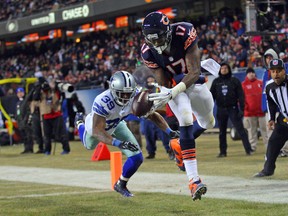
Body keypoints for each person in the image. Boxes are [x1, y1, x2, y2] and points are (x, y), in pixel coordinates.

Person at [141, 11, 219, 201]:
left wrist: (174, 89)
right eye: (152, 39)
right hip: (173, 87)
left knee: (209, 122)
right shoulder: (147, 51)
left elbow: (194, 72)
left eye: (158, 38)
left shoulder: (185, 32)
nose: (156, 43)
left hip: (193, 82)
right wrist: (165, 91)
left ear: (167, 31)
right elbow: (164, 83)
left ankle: (179, 144)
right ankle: (194, 180)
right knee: (184, 118)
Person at [74, 70, 179, 197]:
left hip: (117, 124)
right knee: (89, 145)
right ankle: (80, 123)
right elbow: (97, 131)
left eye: (128, 93)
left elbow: (152, 115)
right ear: (113, 90)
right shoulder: (102, 101)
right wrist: (118, 143)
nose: (125, 97)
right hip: (97, 126)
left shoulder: (136, 96)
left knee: (137, 157)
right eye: (122, 93)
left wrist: (169, 131)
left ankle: (121, 184)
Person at [210, 62, 253, 157]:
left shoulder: (234, 80)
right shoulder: (216, 82)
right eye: (222, 68)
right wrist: (209, 110)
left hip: (233, 108)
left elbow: (241, 96)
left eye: (226, 68)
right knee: (222, 132)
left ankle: (248, 149)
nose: (224, 69)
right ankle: (222, 152)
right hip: (221, 109)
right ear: (219, 70)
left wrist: (241, 109)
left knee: (240, 129)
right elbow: (211, 97)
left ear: (229, 69)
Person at [254, 59, 288, 177]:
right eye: (273, 71)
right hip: (284, 120)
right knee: (273, 143)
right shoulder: (269, 86)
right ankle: (268, 170)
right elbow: (271, 103)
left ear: (284, 71)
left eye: (279, 71)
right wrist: (271, 118)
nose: (276, 74)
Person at [31, 78, 70, 155]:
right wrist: (39, 87)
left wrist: (56, 86)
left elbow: (62, 96)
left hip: (56, 113)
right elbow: (35, 98)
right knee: (47, 135)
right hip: (46, 114)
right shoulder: (41, 92)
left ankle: (66, 149)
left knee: (61, 133)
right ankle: (47, 150)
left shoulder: (56, 91)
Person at [261, 48, 288, 157]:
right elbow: (266, 95)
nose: (269, 59)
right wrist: (266, 110)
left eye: (271, 57)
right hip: (273, 109)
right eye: (267, 57)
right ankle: (272, 154)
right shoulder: (265, 74)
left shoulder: (283, 71)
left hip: (282, 109)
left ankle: (284, 150)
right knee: (272, 134)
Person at [143, 75, 174, 160]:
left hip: (159, 115)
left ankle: (170, 151)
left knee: (164, 135)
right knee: (149, 136)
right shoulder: (143, 91)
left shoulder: (159, 89)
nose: (150, 83)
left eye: (152, 81)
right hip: (148, 117)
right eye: (149, 81)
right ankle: (151, 152)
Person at [242, 67, 268, 151]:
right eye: (249, 73)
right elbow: (241, 98)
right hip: (250, 113)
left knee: (265, 130)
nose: (251, 74)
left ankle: (268, 146)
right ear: (247, 75)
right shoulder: (243, 85)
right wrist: (246, 108)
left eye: (252, 72)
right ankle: (252, 146)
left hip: (261, 112)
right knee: (251, 131)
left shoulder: (260, 83)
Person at [15, 87, 34, 154]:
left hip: (26, 121)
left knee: (28, 135)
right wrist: (17, 119)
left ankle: (30, 148)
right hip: (20, 121)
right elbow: (17, 112)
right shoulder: (18, 103)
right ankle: (26, 148)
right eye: (18, 93)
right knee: (24, 136)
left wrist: (26, 120)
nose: (20, 94)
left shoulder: (26, 101)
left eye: (21, 92)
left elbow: (28, 111)